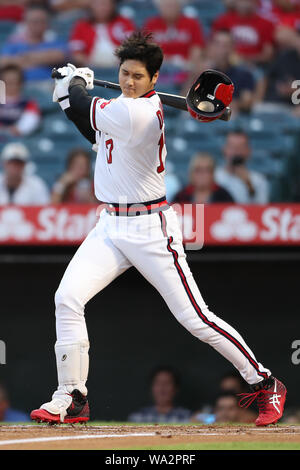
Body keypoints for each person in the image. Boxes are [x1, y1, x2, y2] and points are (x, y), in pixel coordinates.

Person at [30, 32, 286, 427]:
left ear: (154, 80)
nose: (129, 81)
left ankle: (265, 381)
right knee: (67, 298)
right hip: (110, 225)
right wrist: (69, 98)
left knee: (196, 319)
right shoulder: (122, 107)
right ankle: (72, 396)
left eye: (137, 76)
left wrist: (74, 85)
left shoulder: (140, 113)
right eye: (124, 73)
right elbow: (96, 134)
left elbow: (86, 106)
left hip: (151, 230)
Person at [187, 30, 257, 114]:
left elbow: (247, 102)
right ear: (210, 46)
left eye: (225, 45)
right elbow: (185, 98)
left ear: (232, 48)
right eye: (217, 44)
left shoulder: (243, 74)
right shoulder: (202, 71)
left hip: (228, 116)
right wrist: (195, 75)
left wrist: (228, 105)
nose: (220, 49)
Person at [0, 4, 67, 90]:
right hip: (20, 87)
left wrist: (20, 60)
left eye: (42, 21)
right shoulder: (14, 44)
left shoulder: (56, 42)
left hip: (48, 86)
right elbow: (3, 63)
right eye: (34, 21)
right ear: (26, 22)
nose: (38, 25)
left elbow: (59, 56)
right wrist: (42, 58)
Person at [144, 0, 205, 84]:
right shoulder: (151, 24)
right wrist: (171, 61)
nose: (170, 9)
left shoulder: (191, 23)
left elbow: (196, 49)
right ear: (160, 7)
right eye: (167, 5)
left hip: (185, 69)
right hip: (159, 69)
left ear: (179, 6)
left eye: (173, 5)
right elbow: (148, 52)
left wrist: (189, 65)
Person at [68, 0, 135, 68]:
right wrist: (88, 64)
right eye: (98, 4)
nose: (102, 8)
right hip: (90, 67)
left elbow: (133, 45)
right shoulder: (81, 25)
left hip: (120, 66)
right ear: (91, 6)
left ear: (112, 6)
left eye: (105, 4)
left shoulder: (124, 22)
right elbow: (76, 52)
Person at [212, 0, 275, 67]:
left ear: (256, 3)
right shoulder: (223, 20)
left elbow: (268, 55)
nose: (245, 4)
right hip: (225, 64)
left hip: (255, 65)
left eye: (249, 1)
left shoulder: (266, 24)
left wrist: (243, 59)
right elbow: (211, 47)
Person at [215, 130, 270, 203]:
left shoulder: (258, 181)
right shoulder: (215, 177)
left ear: (248, 151)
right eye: (232, 147)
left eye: (241, 148)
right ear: (224, 150)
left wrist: (249, 185)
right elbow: (202, 207)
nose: (236, 152)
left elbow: (261, 209)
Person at [0, 64, 41, 138]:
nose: (10, 86)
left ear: (21, 83)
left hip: (19, 139)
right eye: (7, 82)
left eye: (14, 82)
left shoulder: (28, 102)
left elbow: (31, 120)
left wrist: (18, 129)